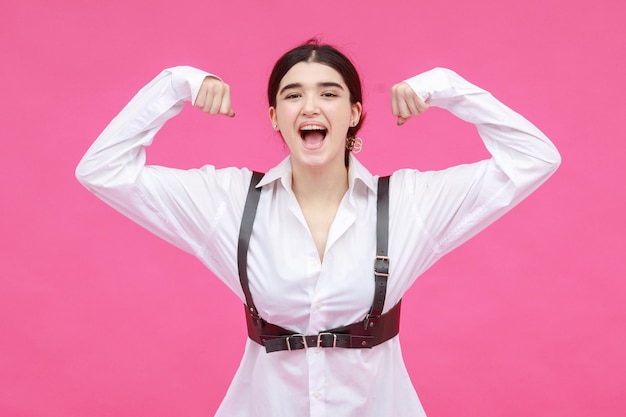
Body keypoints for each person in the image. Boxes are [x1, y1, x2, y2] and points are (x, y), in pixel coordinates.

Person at [76, 39, 561, 416]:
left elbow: (534, 159)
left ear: (353, 115)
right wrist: (176, 85)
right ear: (275, 117)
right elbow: (102, 170)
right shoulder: (227, 203)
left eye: (329, 93)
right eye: (293, 95)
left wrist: (447, 87)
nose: (310, 107)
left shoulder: (410, 205)